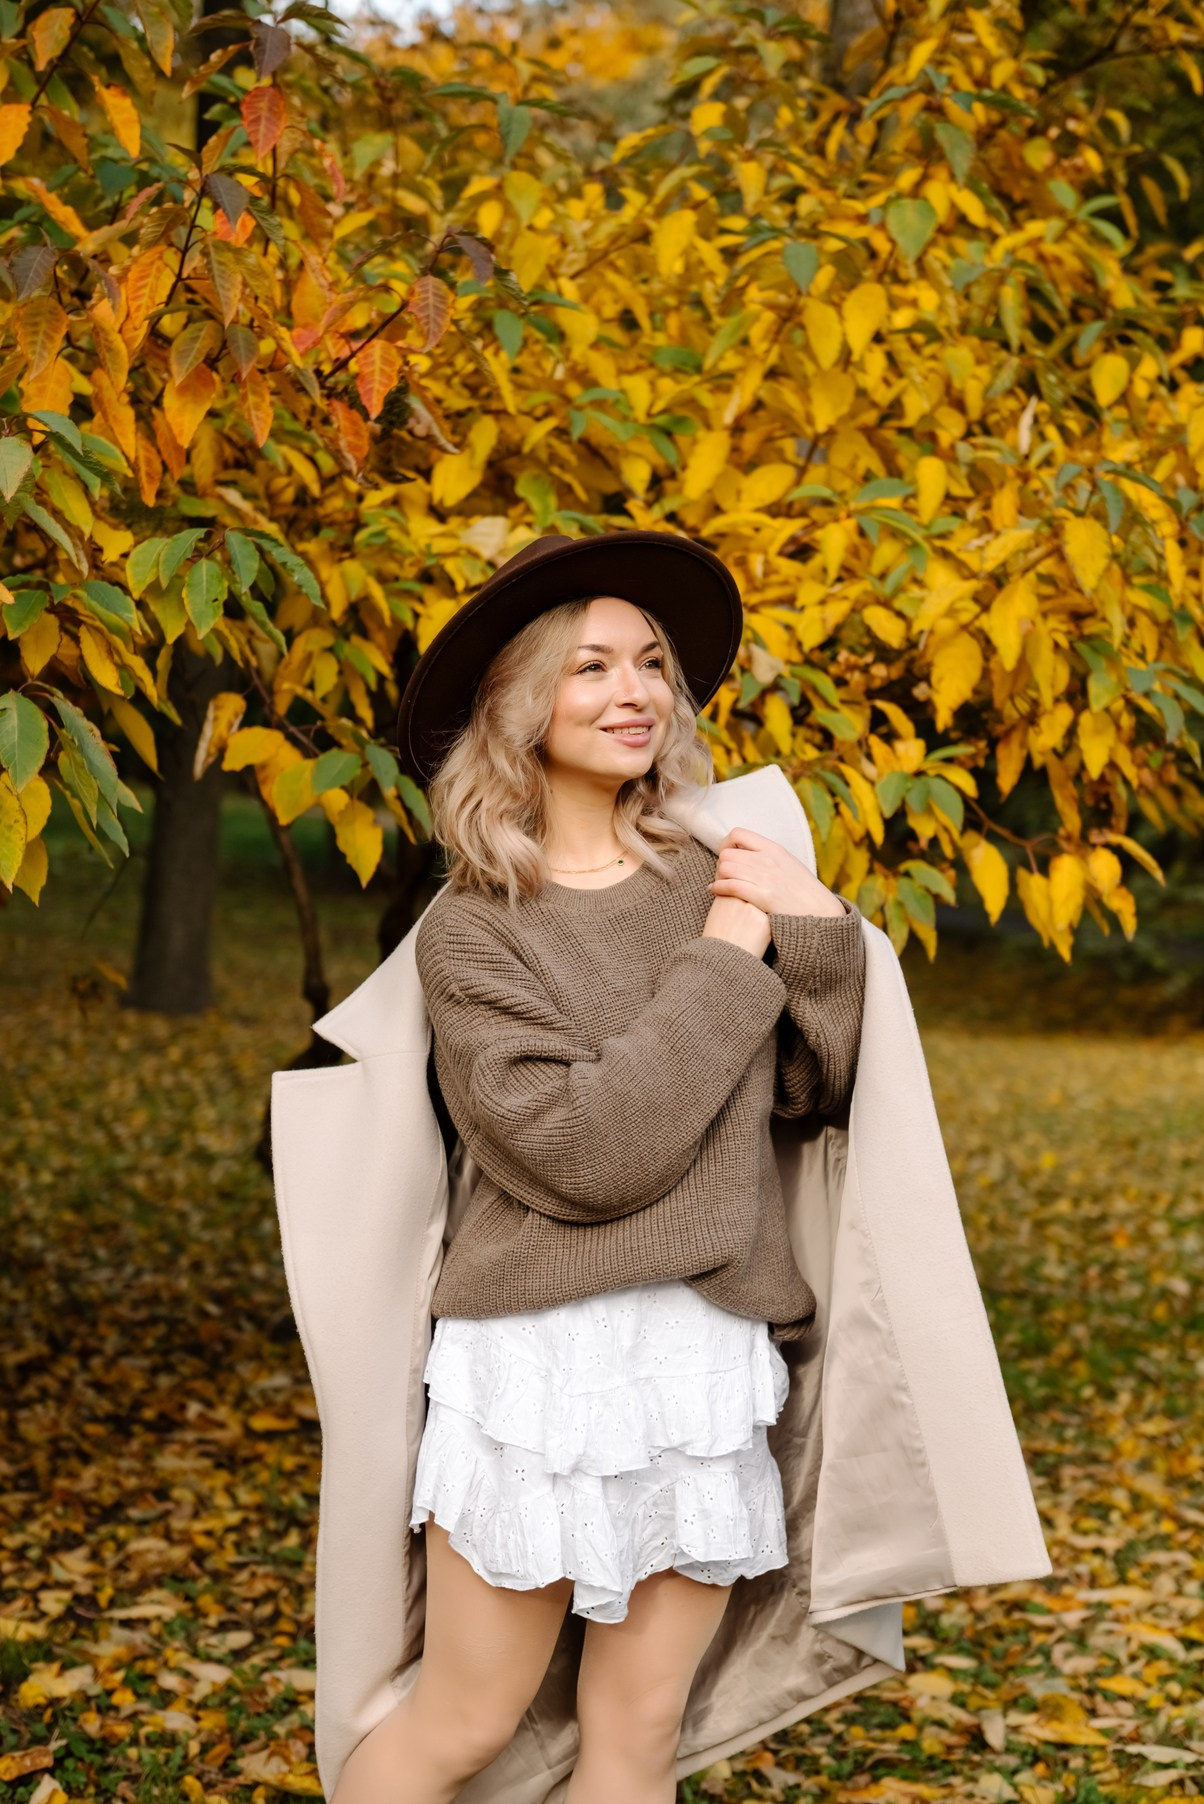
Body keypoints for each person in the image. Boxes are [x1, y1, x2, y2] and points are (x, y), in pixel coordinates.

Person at [332, 530, 867, 1804]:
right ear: (519, 708)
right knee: (465, 1720)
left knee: (636, 1739)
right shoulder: (471, 934)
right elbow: (589, 1150)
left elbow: (812, 1089)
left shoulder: (714, 875)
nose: (635, 693)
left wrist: (820, 930)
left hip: (701, 1360)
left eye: (650, 665)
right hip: (537, 1364)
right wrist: (739, 950)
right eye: (589, 668)